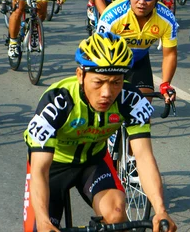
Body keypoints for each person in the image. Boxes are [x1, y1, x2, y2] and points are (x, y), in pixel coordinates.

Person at [22, 32, 177, 232]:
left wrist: (160, 210)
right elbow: (39, 169)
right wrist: (43, 220)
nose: (107, 93)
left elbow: (144, 157)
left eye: (116, 82)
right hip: (53, 166)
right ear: (80, 75)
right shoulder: (58, 101)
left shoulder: (131, 99)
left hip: (93, 162)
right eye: (98, 82)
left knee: (116, 214)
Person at [97, 0, 178, 100]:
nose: (141, 2)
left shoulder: (167, 19)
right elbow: (98, 53)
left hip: (139, 61)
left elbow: (170, 54)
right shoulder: (112, 16)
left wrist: (165, 84)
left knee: (144, 106)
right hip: (110, 62)